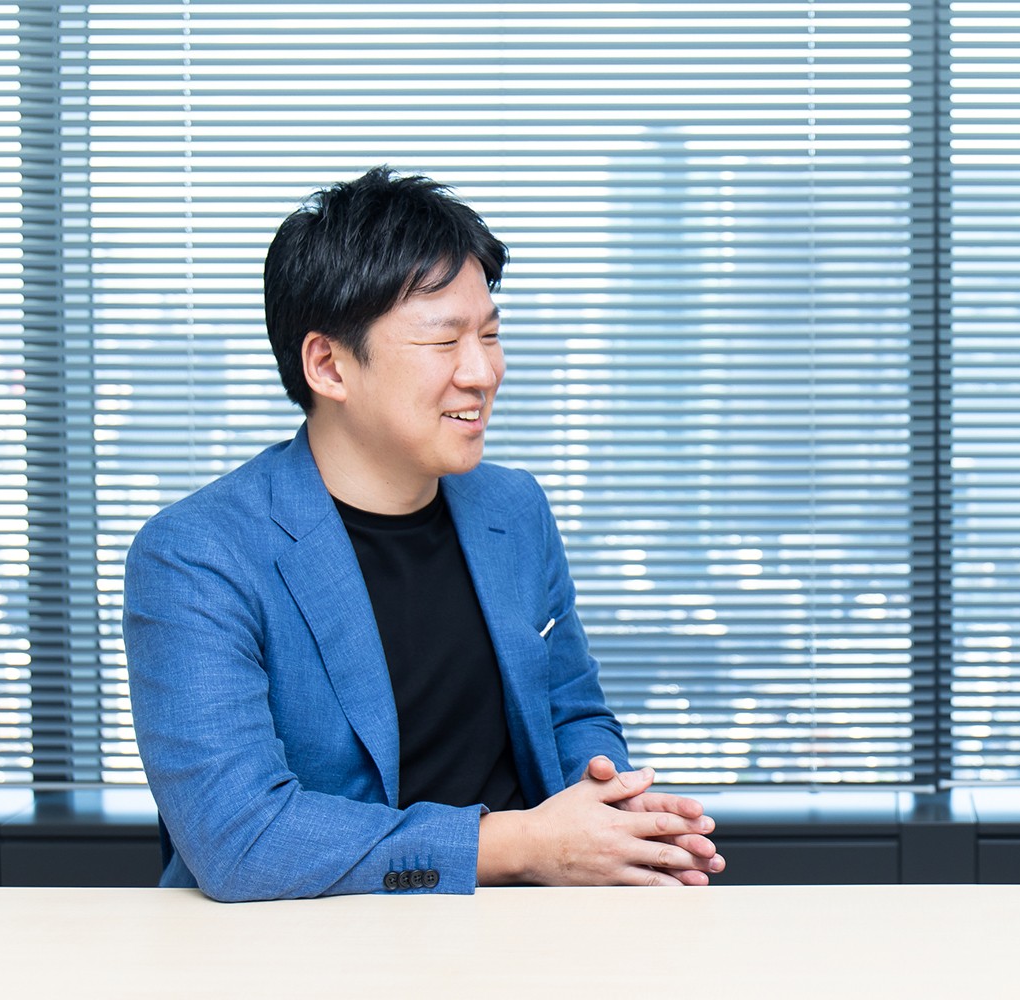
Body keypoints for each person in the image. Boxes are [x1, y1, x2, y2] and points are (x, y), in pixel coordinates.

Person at [125, 167, 725, 900]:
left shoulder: (514, 508)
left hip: (532, 931)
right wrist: (522, 844)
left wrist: (609, 809)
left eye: (491, 334)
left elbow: (570, 708)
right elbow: (241, 837)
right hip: (309, 948)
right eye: (445, 342)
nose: (484, 372)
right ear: (328, 365)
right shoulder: (198, 555)